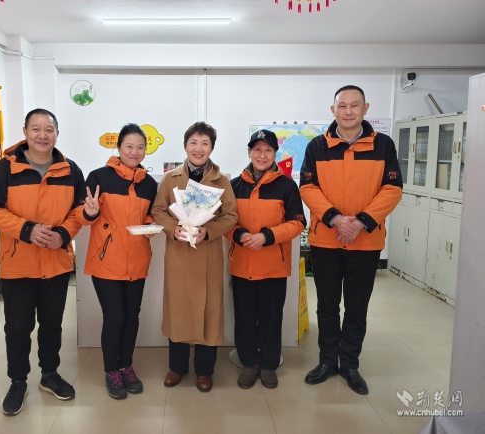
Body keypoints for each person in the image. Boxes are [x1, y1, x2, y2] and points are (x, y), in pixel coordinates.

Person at [0, 108, 86, 415]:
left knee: (52, 325)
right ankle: (18, 381)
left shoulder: (70, 170)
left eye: (49, 129)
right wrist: (26, 229)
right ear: (25, 132)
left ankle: (49, 375)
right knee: (17, 327)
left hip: (56, 262)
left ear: (57, 134)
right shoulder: (5, 168)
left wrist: (63, 234)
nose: (42, 135)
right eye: (36, 129)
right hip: (17, 264)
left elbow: (78, 211)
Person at [299, 85, 403, 395]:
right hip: (326, 241)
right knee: (327, 306)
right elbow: (308, 188)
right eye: (342, 106)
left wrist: (360, 222)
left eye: (354, 105)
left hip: (365, 242)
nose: (348, 111)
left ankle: (350, 365)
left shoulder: (383, 145)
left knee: (357, 307)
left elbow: (392, 189)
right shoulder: (317, 146)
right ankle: (327, 361)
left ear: (365, 108)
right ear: (333, 110)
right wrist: (335, 218)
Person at [151, 121, 237, 393]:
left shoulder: (222, 181)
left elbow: (231, 215)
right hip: (179, 253)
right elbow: (158, 210)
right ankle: (177, 367)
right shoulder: (170, 179)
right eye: (193, 143)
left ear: (212, 148)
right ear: (185, 145)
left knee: (209, 313)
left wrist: (208, 231)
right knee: (178, 310)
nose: (198, 149)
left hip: (207, 253)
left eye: (204, 144)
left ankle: (204, 371)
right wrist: (173, 229)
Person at [77, 123, 158, 400]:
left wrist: (151, 225)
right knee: (115, 317)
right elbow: (83, 216)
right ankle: (111, 370)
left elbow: (150, 215)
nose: (134, 152)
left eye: (140, 147)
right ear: (119, 147)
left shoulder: (149, 183)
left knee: (132, 317)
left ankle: (127, 366)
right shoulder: (99, 177)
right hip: (106, 261)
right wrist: (90, 211)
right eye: (129, 146)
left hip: (138, 259)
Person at [226, 130, 306, 389]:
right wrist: (239, 235)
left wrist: (267, 236)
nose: (262, 155)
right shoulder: (234, 185)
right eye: (257, 150)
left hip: (273, 266)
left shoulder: (287, 186)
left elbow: (297, 223)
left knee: (271, 318)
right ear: (249, 153)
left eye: (268, 150)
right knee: (245, 317)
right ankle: (249, 363)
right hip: (242, 264)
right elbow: (224, 221)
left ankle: (269, 365)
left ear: (275, 154)